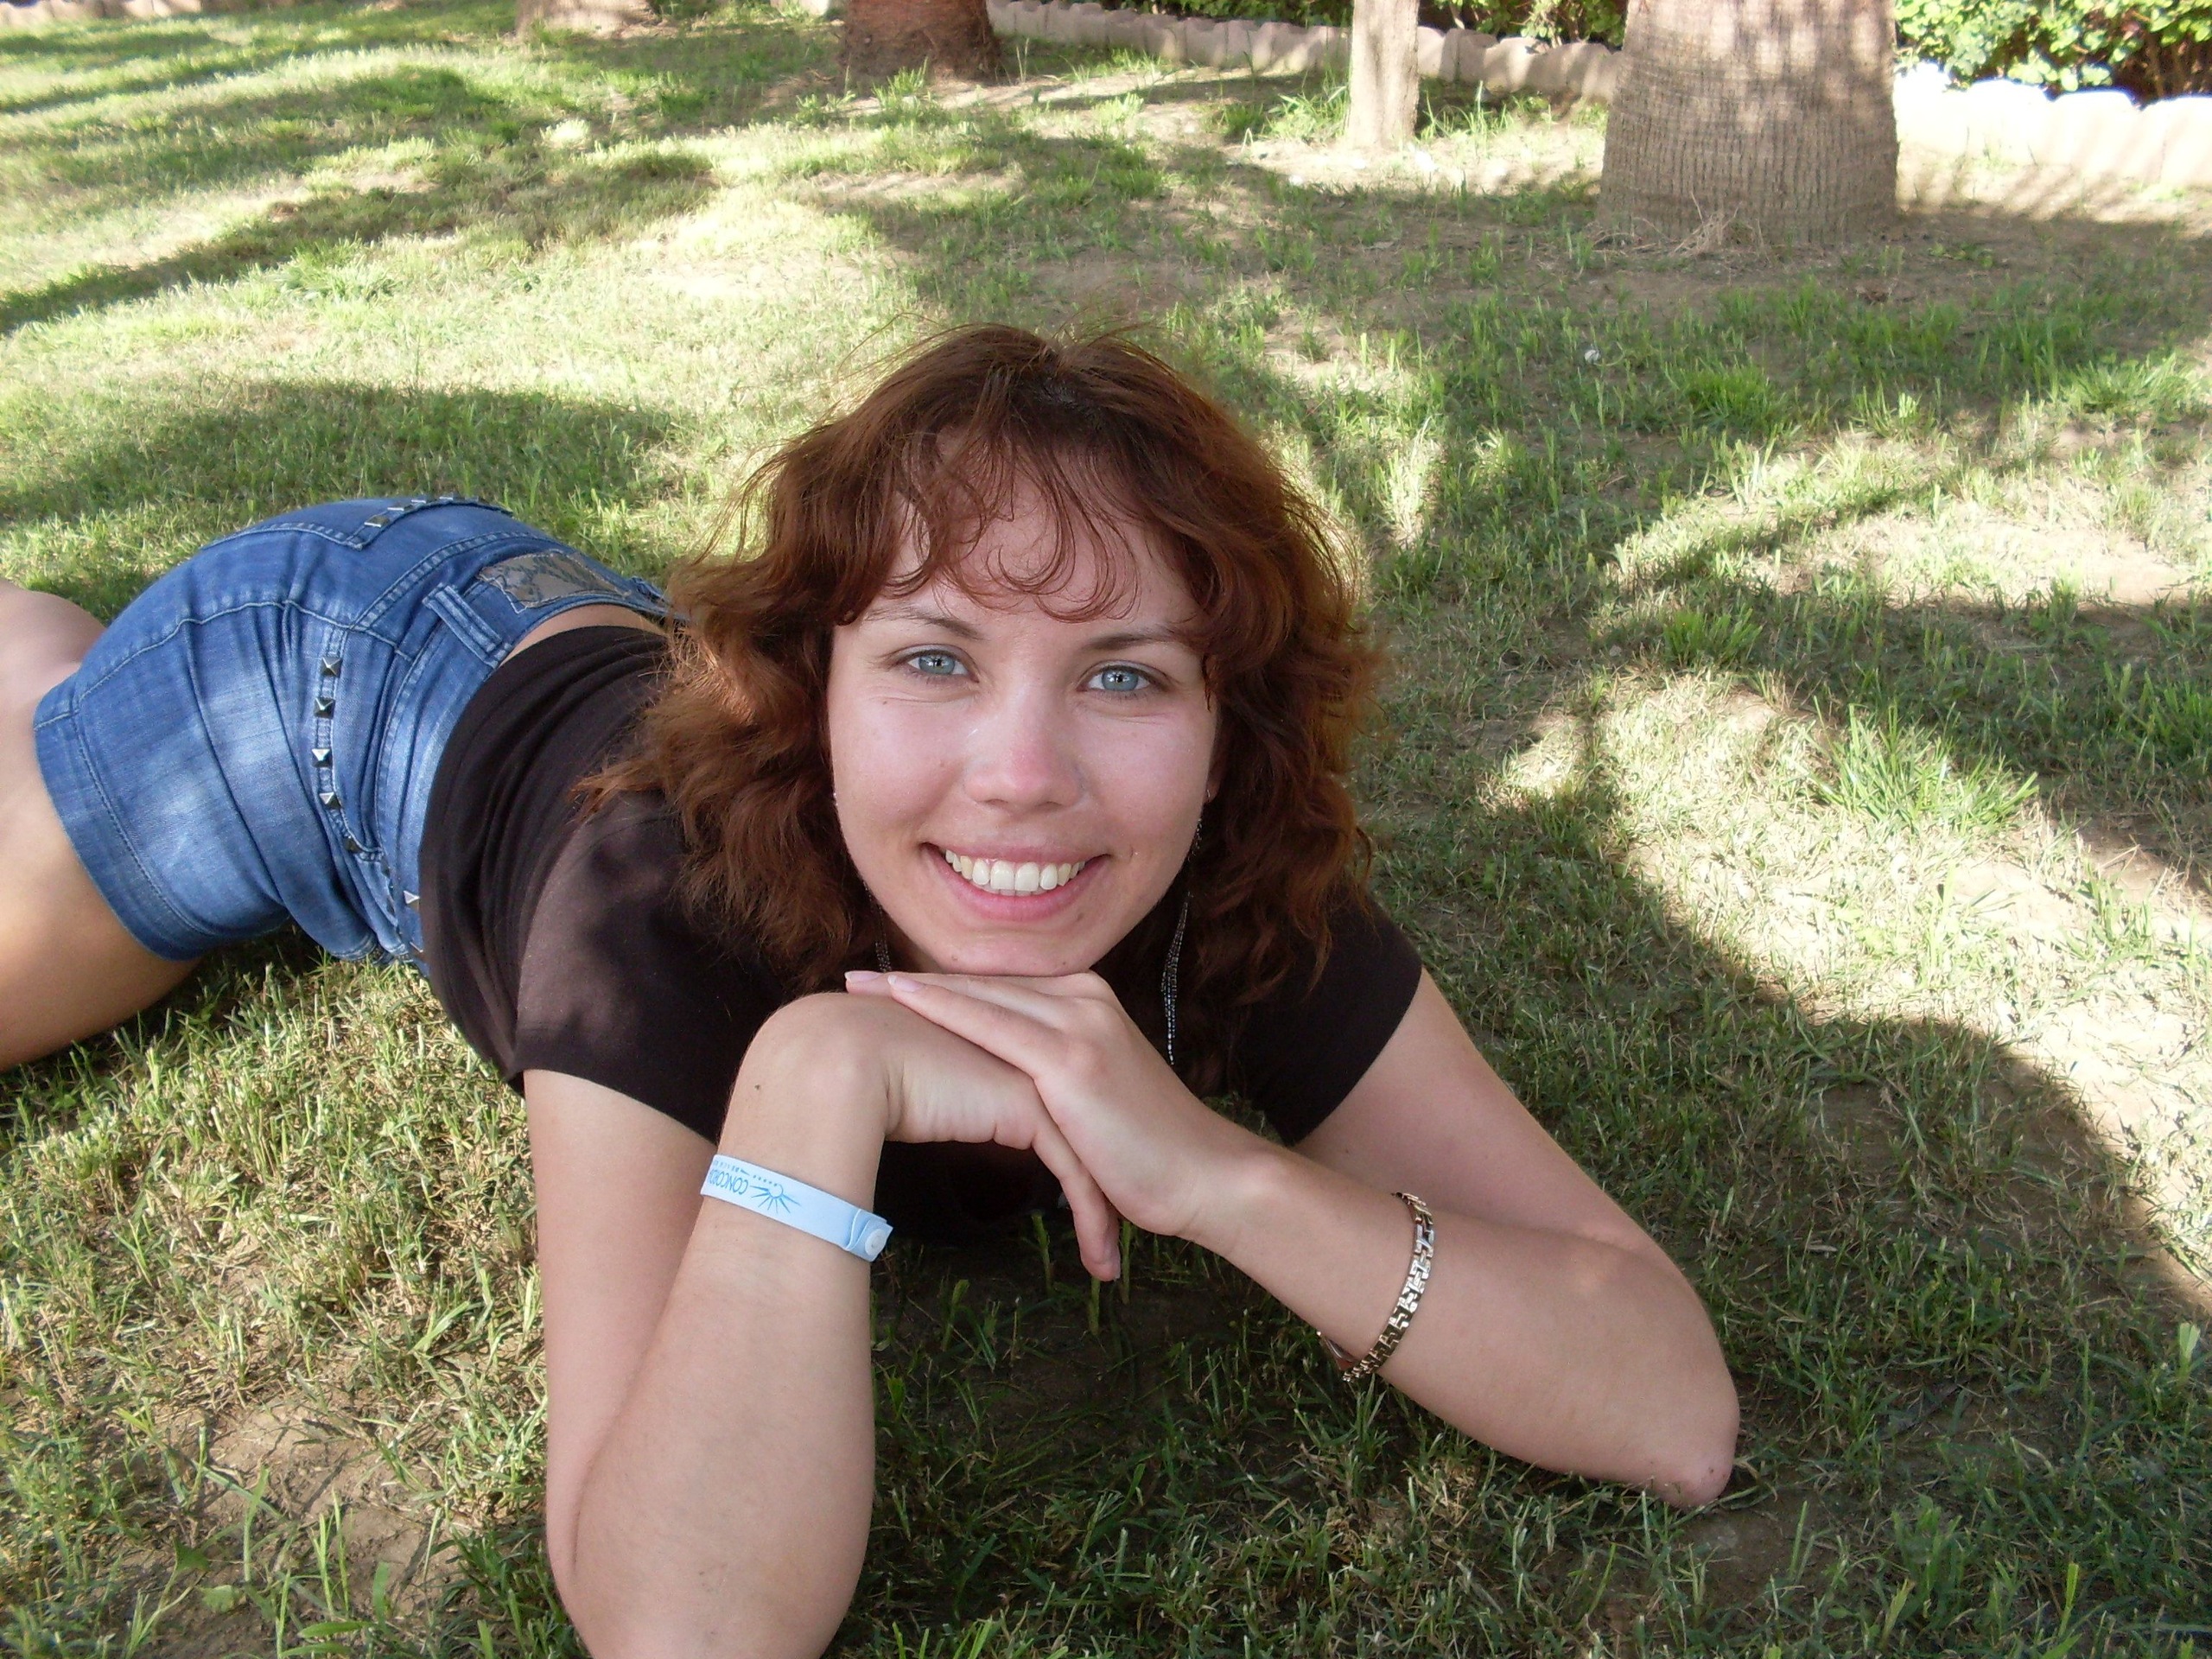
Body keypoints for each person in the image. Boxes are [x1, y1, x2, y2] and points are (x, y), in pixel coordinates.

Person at [0, 327, 1737, 1659]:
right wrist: (815, 1078)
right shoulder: (658, 900)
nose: (1021, 776)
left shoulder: (1236, 887)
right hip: (328, 686)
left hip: (559, 627)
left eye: (1124, 677)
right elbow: (676, 1625)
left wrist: (1222, 1175)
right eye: (931, 658)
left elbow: (1670, 1410)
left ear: (1228, 734)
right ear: (810, 692)